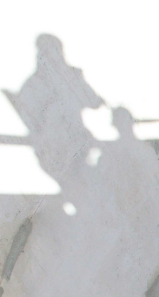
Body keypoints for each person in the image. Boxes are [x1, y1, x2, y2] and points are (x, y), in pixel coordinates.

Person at [5, 35, 103, 191]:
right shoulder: (33, 84)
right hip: (51, 148)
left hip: (79, 144)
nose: (48, 56)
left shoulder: (72, 77)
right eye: (45, 51)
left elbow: (94, 102)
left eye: (52, 51)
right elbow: (28, 116)